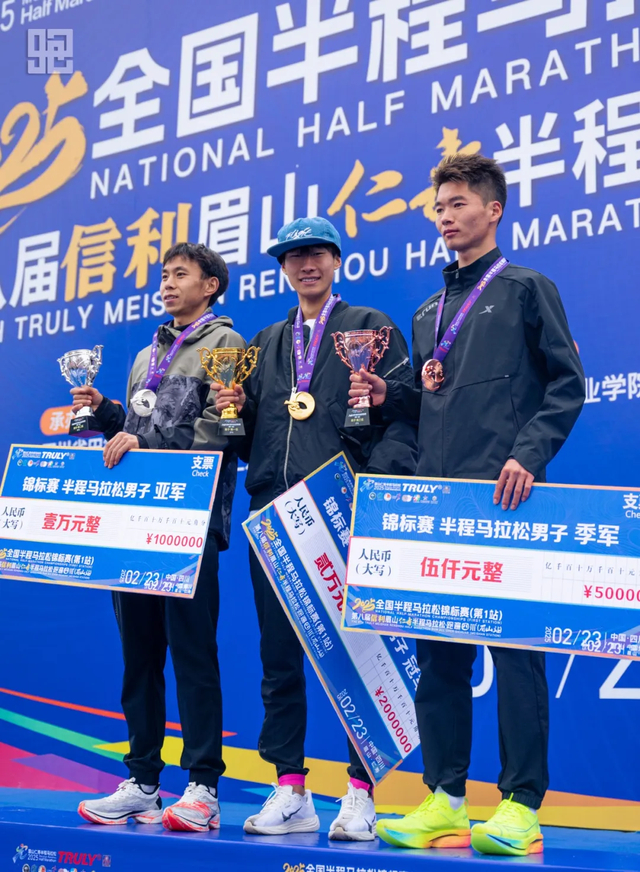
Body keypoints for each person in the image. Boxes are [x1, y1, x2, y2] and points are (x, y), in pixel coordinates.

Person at [349, 154, 585, 856]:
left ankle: (519, 805)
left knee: (515, 656)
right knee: (440, 657)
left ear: (493, 210)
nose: (446, 216)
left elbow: (566, 383)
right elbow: (436, 401)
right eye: (440, 207)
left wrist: (528, 454)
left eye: (458, 203)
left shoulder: (525, 288)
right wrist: (393, 396)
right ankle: (445, 799)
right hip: (439, 503)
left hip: (506, 499)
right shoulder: (429, 311)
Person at [212, 216, 417, 841]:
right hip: (273, 516)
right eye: (293, 256)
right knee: (278, 657)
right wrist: (232, 413)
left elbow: (404, 415)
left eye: (317, 254)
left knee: (358, 656)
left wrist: (371, 490)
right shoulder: (266, 341)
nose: (306, 264)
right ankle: (291, 789)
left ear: (336, 260)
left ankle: (361, 794)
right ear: (283, 268)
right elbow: (251, 439)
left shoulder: (370, 327)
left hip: (339, 512)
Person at [73, 242, 245, 832]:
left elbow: (221, 430)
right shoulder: (147, 354)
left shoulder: (226, 343)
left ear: (210, 285)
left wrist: (144, 442)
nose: (168, 284)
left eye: (181, 275)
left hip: (191, 525)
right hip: (135, 526)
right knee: (139, 657)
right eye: (164, 275)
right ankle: (143, 781)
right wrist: (106, 413)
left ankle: (203, 787)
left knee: (193, 655)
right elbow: (135, 429)